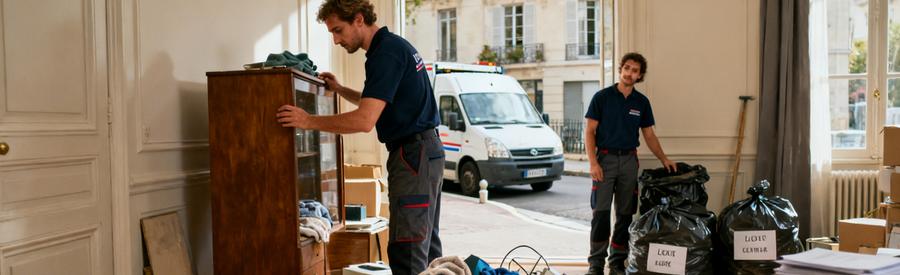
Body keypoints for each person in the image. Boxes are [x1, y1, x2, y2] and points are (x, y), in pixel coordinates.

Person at [276, 1, 444, 274]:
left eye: (338, 30)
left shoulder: (385, 55)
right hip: (425, 151)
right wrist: (340, 89)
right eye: (332, 33)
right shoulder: (391, 47)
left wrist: (306, 120)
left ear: (358, 19)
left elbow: (365, 120)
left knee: (408, 251)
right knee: (426, 247)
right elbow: (378, 102)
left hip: (414, 155)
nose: (335, 40)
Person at [583, 52, 676, 275]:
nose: (629, 73)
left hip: (629, 161)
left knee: (625, 214)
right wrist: (593, 163)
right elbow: (589, 131)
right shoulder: (602, 97)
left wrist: (664, 158)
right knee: (601, 213)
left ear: (639, 75)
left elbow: (649, 135)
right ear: (620, 69)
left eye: (634, 70)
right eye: (626, 68)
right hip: (604, 160)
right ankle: (596, 264)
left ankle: (616, 262)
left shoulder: (641, 103)